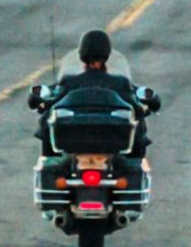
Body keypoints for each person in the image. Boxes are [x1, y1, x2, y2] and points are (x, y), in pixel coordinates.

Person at [29, 29, 159, 157]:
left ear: (82, 53)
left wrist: (41, 103)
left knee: (49, 117)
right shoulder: (120, 83)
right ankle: (135, 161)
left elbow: (50, 104)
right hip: (116, 152)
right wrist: (146, 107)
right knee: (137, 120)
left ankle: (50, 160)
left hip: (70, 149)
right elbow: (137, 109)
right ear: (107, 54)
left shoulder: (70, 82)